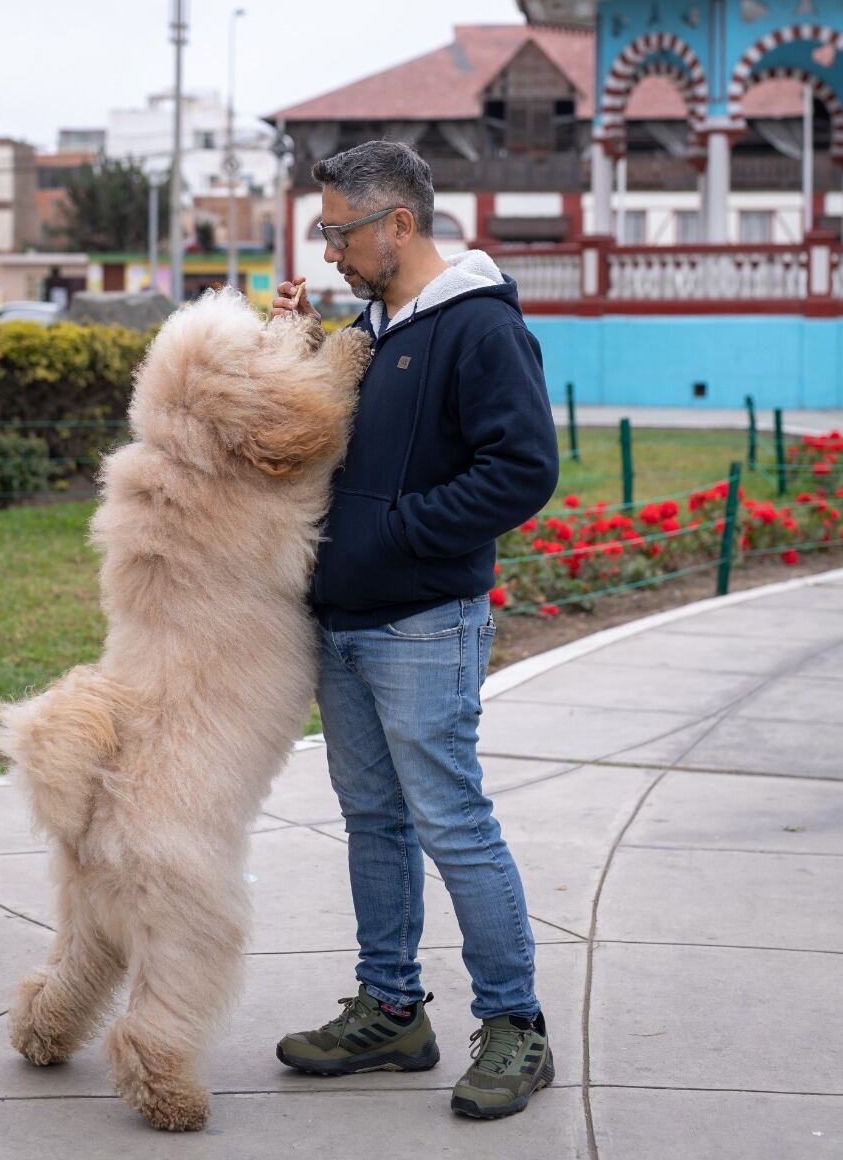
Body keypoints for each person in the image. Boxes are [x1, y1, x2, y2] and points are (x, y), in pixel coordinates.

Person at [270, 140, 559, 1122]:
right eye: (323, 233)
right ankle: (391, 1008)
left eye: (339, 232)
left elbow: (521, 467)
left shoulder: (477, 326)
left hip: (424, 622)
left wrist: (396, 532)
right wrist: (302, 349)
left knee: (452, 823)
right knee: (375, 822)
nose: (329, 253)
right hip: (347, 623)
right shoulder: (376, 323)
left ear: (398, 223)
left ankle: (515, 1024)